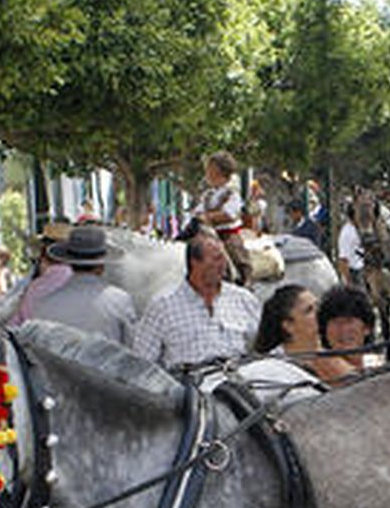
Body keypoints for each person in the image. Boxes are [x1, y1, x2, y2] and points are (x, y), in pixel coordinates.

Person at [131, 229, 260, 370]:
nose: (223, 265)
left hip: (238, 382)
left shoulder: (243, 300)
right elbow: (142, 361)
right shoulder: (163, 305)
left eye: (223, 258)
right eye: (217, 259)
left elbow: (262, 347)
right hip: (189, 383)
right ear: (195, 263)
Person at [16, 225, 138, 346]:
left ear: (70, 262)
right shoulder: (120, 300)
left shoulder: (43, 305)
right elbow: (131, 350)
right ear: (102, 266)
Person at [254, 284, 354, 384]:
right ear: (288, 325)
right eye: (309, 310)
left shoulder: (329, 353)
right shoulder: (273, 369)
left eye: (318, 306)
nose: (320, 313)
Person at [193, 151, 251, 285]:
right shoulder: (208, 195)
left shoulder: (231, 193)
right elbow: (198, 211)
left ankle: (243, 280)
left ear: (220, 172)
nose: (207, 173)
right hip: (207, 233)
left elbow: (229, 214)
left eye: (210, 169)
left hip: (226, 235)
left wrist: (209, 217)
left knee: (236, 255)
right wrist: (198, 216)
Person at [317, 284, 378, 370]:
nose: (343, 330)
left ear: (366, 328)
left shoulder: (382, 374)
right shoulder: (310, 379)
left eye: (349, 321)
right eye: (336, 322)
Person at [335, 204, 365, 287]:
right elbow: (343, 260)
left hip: (364, 270)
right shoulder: (347, 232)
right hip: (354, 272)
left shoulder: (359, 228)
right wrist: (348, 282)